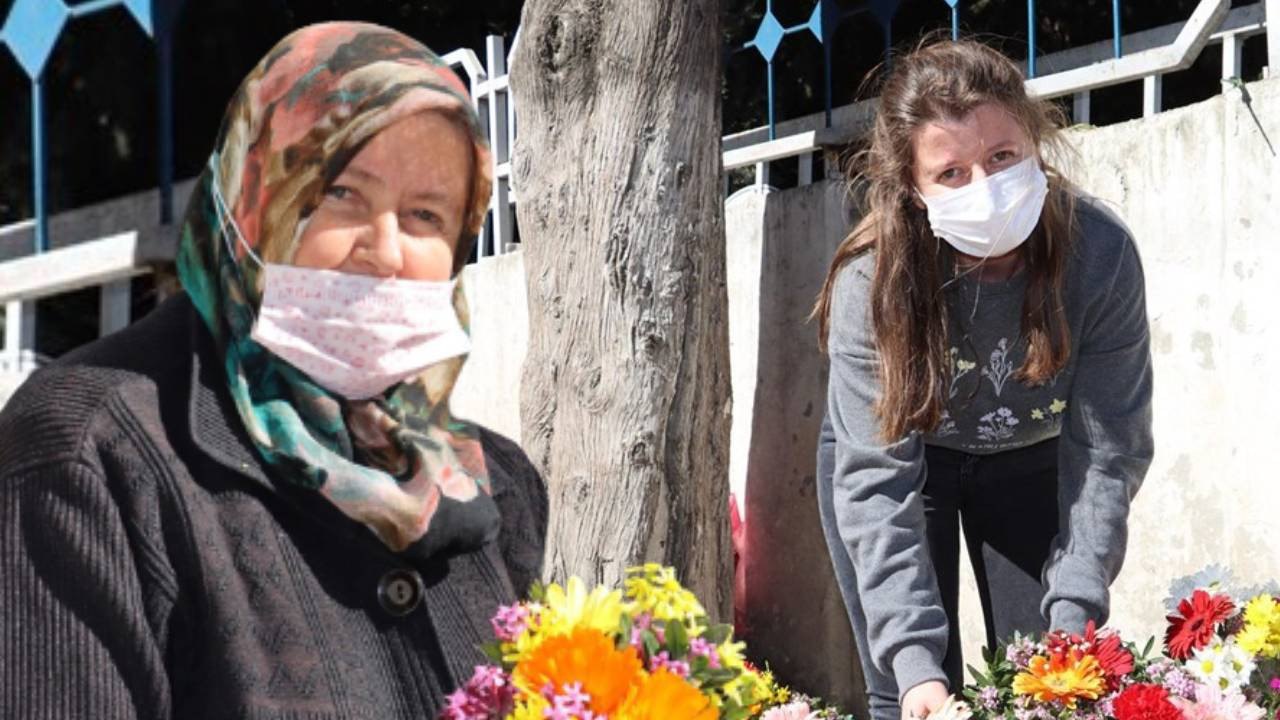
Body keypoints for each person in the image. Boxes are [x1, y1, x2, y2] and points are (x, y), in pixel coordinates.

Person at [0, 22, 547, 718]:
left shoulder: (497, 484)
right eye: (340, 193)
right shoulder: (87, 453)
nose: (385, 250)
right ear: (251, 195)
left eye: (425, 215)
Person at [812, 40, 1153, 720]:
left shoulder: (1100, 254)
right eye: (951, 173)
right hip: (904, 474)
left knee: (1042, 686)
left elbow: (1108, 449)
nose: (986, 187)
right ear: (913, 190)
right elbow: (876, 482)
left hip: (1031, 460)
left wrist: (1075, 616)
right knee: (909, 692)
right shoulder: (871, 281)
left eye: (1001, 156)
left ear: (1034, 142)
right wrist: (915, 667)